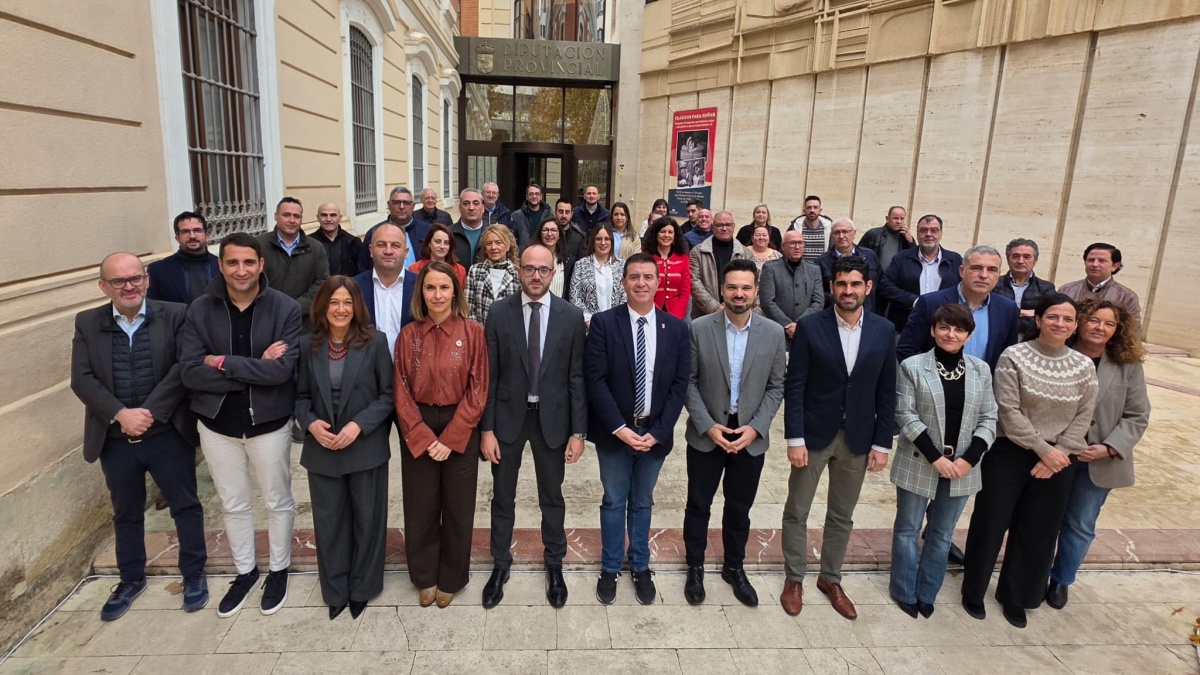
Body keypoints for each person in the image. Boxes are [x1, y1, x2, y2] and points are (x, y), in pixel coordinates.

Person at [70, 252, 208, 621]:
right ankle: (130, 579)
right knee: (126, 512)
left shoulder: (176, 314)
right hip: (115, 438)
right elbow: (82, 379)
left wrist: (148, 412)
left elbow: (182, 367)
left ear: (147, 280)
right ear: (104, 286)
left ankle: (194, 573)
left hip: (167, 433)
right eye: (119, 281)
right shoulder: (87, 322)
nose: (129, 286)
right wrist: (120, 414)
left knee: (186, 506)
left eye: (135, 278)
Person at [180, 232, 302, 618]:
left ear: (261, 264)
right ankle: (245, 571)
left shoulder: (284, 308)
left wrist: (221, 362)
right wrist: (256, 366)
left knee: (277, 501)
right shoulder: (200, 309)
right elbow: (190, 372)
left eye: (249, 262)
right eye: (232, 262)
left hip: (269, 422)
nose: (241, 270)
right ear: (220, 265)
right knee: (233, 504)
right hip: (217, 425)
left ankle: (278, 570)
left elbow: (280, 372)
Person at [961, 293, 1098, 629]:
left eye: (1067, 319)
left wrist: (1057, 453)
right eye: (1052, 316)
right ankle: (974, 590)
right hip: (1011, 452)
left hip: (1060, 459)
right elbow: (1007, 409)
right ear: (1038, 320)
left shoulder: (1084, 366)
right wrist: (1042, 449)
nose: (1060, 323)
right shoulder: (1015, 356)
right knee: (991, 523)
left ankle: (1016, 596)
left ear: (1075, 326)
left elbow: (1084, 416)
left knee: (1038, 531)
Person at [780, 256, 896, 620]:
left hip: (858, 438)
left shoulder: (883, 330)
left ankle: (830, 578)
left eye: (855, 284)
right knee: (797, 510)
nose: (848, 290)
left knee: (842, 515)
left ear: (868, 287)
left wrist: (882, 443)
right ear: (832, 287)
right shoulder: (810, 327)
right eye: (842, 283)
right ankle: (794, 578)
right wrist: (794, 438)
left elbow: (887, 392)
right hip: (814, 435)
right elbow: (795, 387)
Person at [479, 244, 588, 609]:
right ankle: (500, 563)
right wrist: (486, 430)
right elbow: (490, 376)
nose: (536, 276)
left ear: (553, 273)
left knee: (552, 497)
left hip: (552, 420)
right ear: (519, 270)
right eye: (529, 269)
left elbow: (576, 378)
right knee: (502, 496)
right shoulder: (499, 312)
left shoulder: (571, 316)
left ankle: (554, 563)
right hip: (507, 419)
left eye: (543, 270)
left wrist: (578, 432)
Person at [586, 253, 691, 605]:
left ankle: (640, 565)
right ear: (623, 282)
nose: (641, 283)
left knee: (643, 502)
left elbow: (679, 384)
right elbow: (596, 380)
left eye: (648, 276)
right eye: (634, 277)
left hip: (654, 435)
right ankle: (610, 566)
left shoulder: (676, 329)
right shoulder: (603, 324)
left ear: (658, 282)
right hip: (615, 434)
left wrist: (659, 431)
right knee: (614, 501)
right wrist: (618, 427)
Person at [682, 259, 786, 607]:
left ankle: (734, 567)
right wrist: (707, 425)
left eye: (745, 287)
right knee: (698, 505)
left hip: (749, 437)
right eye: (732, 287)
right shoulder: (699, 328)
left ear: (756, 292)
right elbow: (688, 382)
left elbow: (777, 386)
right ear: (722, 290)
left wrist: (756, 428)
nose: (738, 294)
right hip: (707, 435)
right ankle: (695, 566)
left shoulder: (773, 333)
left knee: (739, 508)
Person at [294, 277, 394, 620]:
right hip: (323, 448)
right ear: (322, 306)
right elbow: (300, 397)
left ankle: (363, 587)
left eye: (347, 302)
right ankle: (335, 590)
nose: (340, 309)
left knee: (368, 520)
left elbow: (388, 396)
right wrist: (310, 424)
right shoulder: (307, 345)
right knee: (330, 523)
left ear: (357, 307)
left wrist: (358, 425)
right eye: (334, 302)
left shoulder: (375, 342)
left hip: (364, 446)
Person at [889, 304, 997, 619]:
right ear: (933, 330)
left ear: (968, 335)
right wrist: (936, 457)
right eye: (945, 327)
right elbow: (905, 414)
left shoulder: (981, 369)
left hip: (963, 465)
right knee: (908, 529)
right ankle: (904, 589)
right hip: (920, 459)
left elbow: (989, 417)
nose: (951, 334)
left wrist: (969, 459)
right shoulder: (912, 366)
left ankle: (927, 591)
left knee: (942, 533)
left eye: (959, 329)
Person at [393, 262, 489, 608]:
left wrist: (451, 438)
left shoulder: (473, 332)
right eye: (430, 287)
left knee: (458, 506)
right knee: (420, 506)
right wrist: (420, 435)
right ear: (421, 293)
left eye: (444, 287)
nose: (437, 294)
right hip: (417, 420)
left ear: (455, 292)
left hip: (459, 422)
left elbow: (479, 389)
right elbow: (400, 390)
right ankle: (424, 576)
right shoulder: (408, 335)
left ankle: (451, 576)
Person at [1046, 299, 1150, 610]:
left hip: (1097, 461)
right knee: (1043, 518)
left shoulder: (1127, 366)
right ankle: (1034, 574)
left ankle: (1061, 579)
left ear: (1117, 330)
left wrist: (1110, 447)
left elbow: (1138, 415)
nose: (1100, 328)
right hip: (1052, 455)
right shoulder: (1056, 353)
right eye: (1094, 320)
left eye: (1109, 324)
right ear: (1079, 321)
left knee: (1080, 522)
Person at [897, 245, 1020, 371]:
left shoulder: (1008, 309)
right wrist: (926, 378)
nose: (983, 275)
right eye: (976, 268)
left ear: (998, 275)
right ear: (962, 271)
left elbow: (1008, 358)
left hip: (984, 382)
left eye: (992, 270)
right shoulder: (931, 303)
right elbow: (906, 349)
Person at [878, 214, 962, 333]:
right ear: (917, 234)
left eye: (934, 230)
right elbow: (885, 286)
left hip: (945, 327)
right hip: (906, 326)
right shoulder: (901, 258)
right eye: (923, 230)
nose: (928, 234)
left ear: (941, 234)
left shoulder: (955, 260)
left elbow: (963, 289)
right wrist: (915, 301)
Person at [257, 197, 330, 327]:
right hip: (266, 320)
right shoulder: (259, 246)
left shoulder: (316, 248)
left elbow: (322, 282)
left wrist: (295, 308)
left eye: (296, 216)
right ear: (276, 216)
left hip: (304, 322)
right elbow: (252, 280)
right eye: (286, 215)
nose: (292, 220)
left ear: (301, 219)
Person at [352, 222, 416, 358]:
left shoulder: (421, 286)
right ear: (370, 250)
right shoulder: (354, 287)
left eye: (395, 245)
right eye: (381, 245)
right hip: (367, 368)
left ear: (406, 252)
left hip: (410, 366)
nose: (388, 251)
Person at [760, 229, 823, 341]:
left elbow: (818, 302)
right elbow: (767, 302)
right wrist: (787, 324)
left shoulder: (813, 269)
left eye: (800, 243)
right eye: (793, 243)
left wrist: (800, 324)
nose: (797, 247)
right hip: (777, 331)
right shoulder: (770, 268)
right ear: (783, 246)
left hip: (806, 330)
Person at [1057, 243, 1142, 324]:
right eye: (1091, 260)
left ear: (1114, 266)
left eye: (1102, 261)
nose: (1095, 264)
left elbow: (1133, 329)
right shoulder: (1066, 290)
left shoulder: (1126, 297)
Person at [147, 211, 220, 305]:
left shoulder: (221, 265)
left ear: (206, 236)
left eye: (197, 230)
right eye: (185, 231)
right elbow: (154, 308)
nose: (192, 236)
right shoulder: (158, 270)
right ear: (177, 238)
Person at [690, 211, 750, 319]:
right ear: (712, 226)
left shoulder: (746, 254)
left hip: (737, 313)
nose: (724, 228)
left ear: (733, 226)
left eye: (728, 225)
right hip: (704, 314)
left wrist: (730, 306)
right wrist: (714, 307)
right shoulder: (697, 252)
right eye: (719, 225)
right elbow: (694, 281)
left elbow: (753, 282)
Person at [357, 187, 431, 273]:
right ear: (389, 205)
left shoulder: (428, 231)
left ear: (413, 206)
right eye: (396, 202)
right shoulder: (375, 233)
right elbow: (363, 268)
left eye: (406, 203)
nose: (402, 207)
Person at [992, 238, 1055, 337]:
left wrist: (1011, 314)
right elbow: (990, 314)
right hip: (997, 336)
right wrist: (1028, 313)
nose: (1020, 261)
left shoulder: (1046, 288)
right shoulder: (994, 284)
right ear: (1008, 260)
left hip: (1031, 340)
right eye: (1015, 256)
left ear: (1035, 260)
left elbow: (1049, 317)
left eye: (1027, 257)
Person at [817, 218, 880, 312]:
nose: (841, 236)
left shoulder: (869, 256)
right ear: (831, 236)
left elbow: (880, 283)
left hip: (868, 312)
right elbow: (819, 293)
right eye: (836, 232)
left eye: (845, 231)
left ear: (854, 233)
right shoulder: (821, 262)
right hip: (837, 312)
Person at [568, 224, 627, 324]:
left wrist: (617, 319)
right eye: (599, 239)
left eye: (607, 239)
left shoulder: (622, 265)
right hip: (589, 326)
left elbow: (626, 295)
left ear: (612, 242)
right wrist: (588, 319)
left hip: (617, 324)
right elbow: (574, 296)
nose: (603, 243)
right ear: (593, 242)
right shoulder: (580, 265)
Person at [466, 224, 522, 325]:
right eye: (489, 243)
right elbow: (468, 307)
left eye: (498, 242)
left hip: (508, 331)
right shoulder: (475, 271)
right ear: (485, 248)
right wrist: (477, 330)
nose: (493, 247)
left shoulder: (518, 273)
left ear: (508, 246)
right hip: (480, 331)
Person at [644, 217, 691, 320]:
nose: (666, 235)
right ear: (656, 234)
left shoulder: (683, 258)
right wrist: (655, 313)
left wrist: (675, 316)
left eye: (670, 232)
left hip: (676, 313)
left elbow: (685, 291)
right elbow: (644, 288)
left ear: (675, 236)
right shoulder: (645, 257)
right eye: (662, 231)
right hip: (649, 311)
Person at [532, 204, 580, 298]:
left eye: (553, 230)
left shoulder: (568, 260)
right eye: (545, 230)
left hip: (560, 306)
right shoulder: (531, 257)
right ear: (540, 234)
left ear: (559, 235)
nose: (549, 234)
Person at [312, 203, 363, 277]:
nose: (328, 219)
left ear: (340, 218)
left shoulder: (353, 242)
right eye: (324, 215)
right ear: (317, 218)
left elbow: (361, 272)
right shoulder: (309, 243)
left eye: (333, 215)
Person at [858, 206, 913, 272]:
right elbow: (858, 254)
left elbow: (914, 258)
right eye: (895, 218)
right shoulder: (873, 233)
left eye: (902, 219)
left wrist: (911, 242)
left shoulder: (905, 238)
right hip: (874, 275)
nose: (899, 221)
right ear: (887, 219)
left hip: (895, 277)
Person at [787, 195, 832, 264]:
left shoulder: (829, 229)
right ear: (804, 210)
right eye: (809, 207)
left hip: (822, 268)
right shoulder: (795, 227)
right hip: (800, 268)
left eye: (815, 207)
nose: (812, 210)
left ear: (820, 210)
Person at [450, 188, 488, 270]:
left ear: (483, 208)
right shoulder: (448, 234)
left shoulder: (492, 233)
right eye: (466, 203)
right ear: (460, 208)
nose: (471, 208)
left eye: (476, 203)